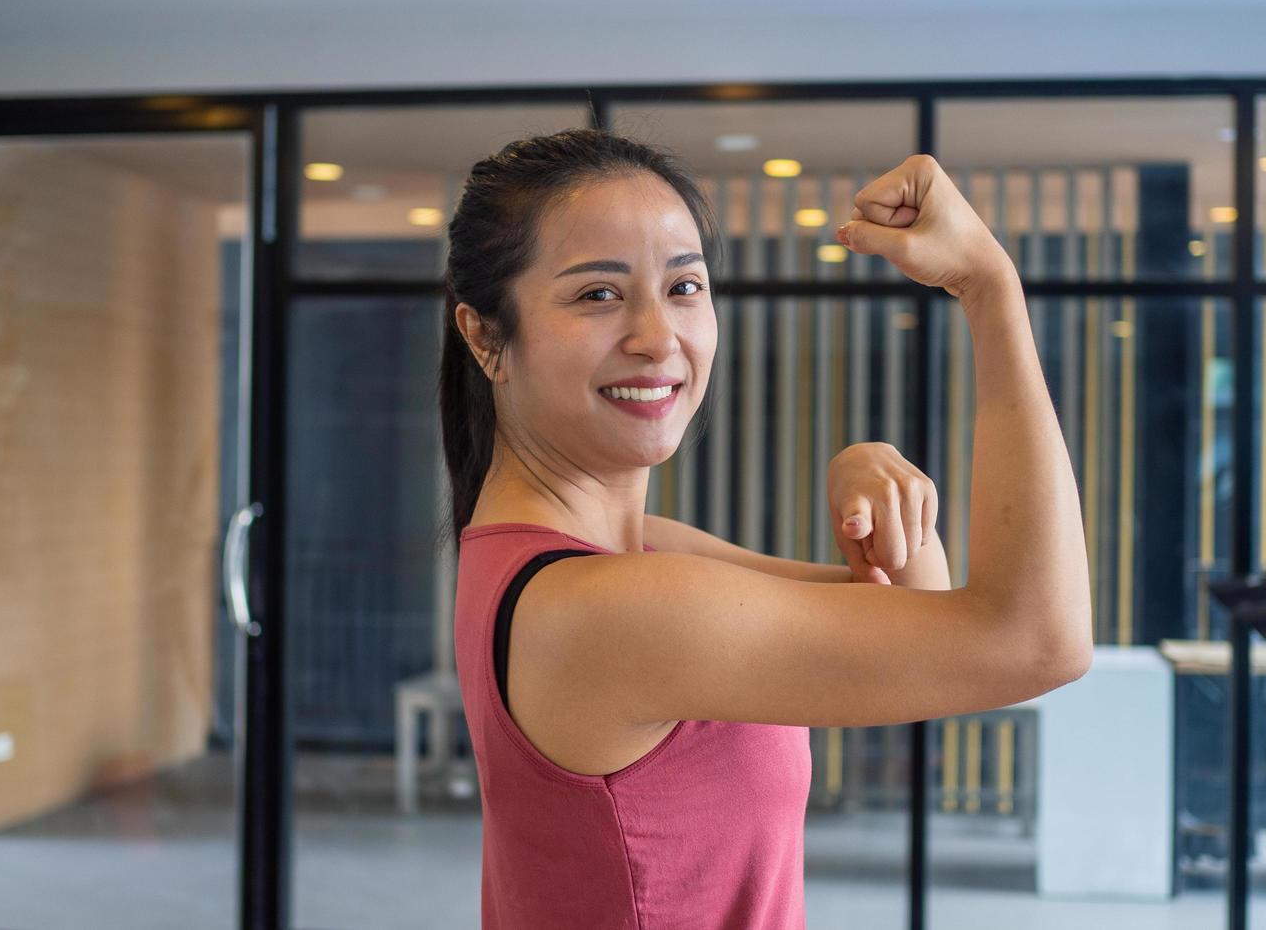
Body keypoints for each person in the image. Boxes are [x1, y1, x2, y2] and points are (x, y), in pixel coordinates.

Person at [439, 127, 1092, 929]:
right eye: (598, 295)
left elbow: (917, 618)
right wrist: (990, 288)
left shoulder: (607, 560)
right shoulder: (607, 607)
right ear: (485, 336)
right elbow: (1036, 640)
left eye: (684, 288)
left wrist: (874, 474)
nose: (657, 337)